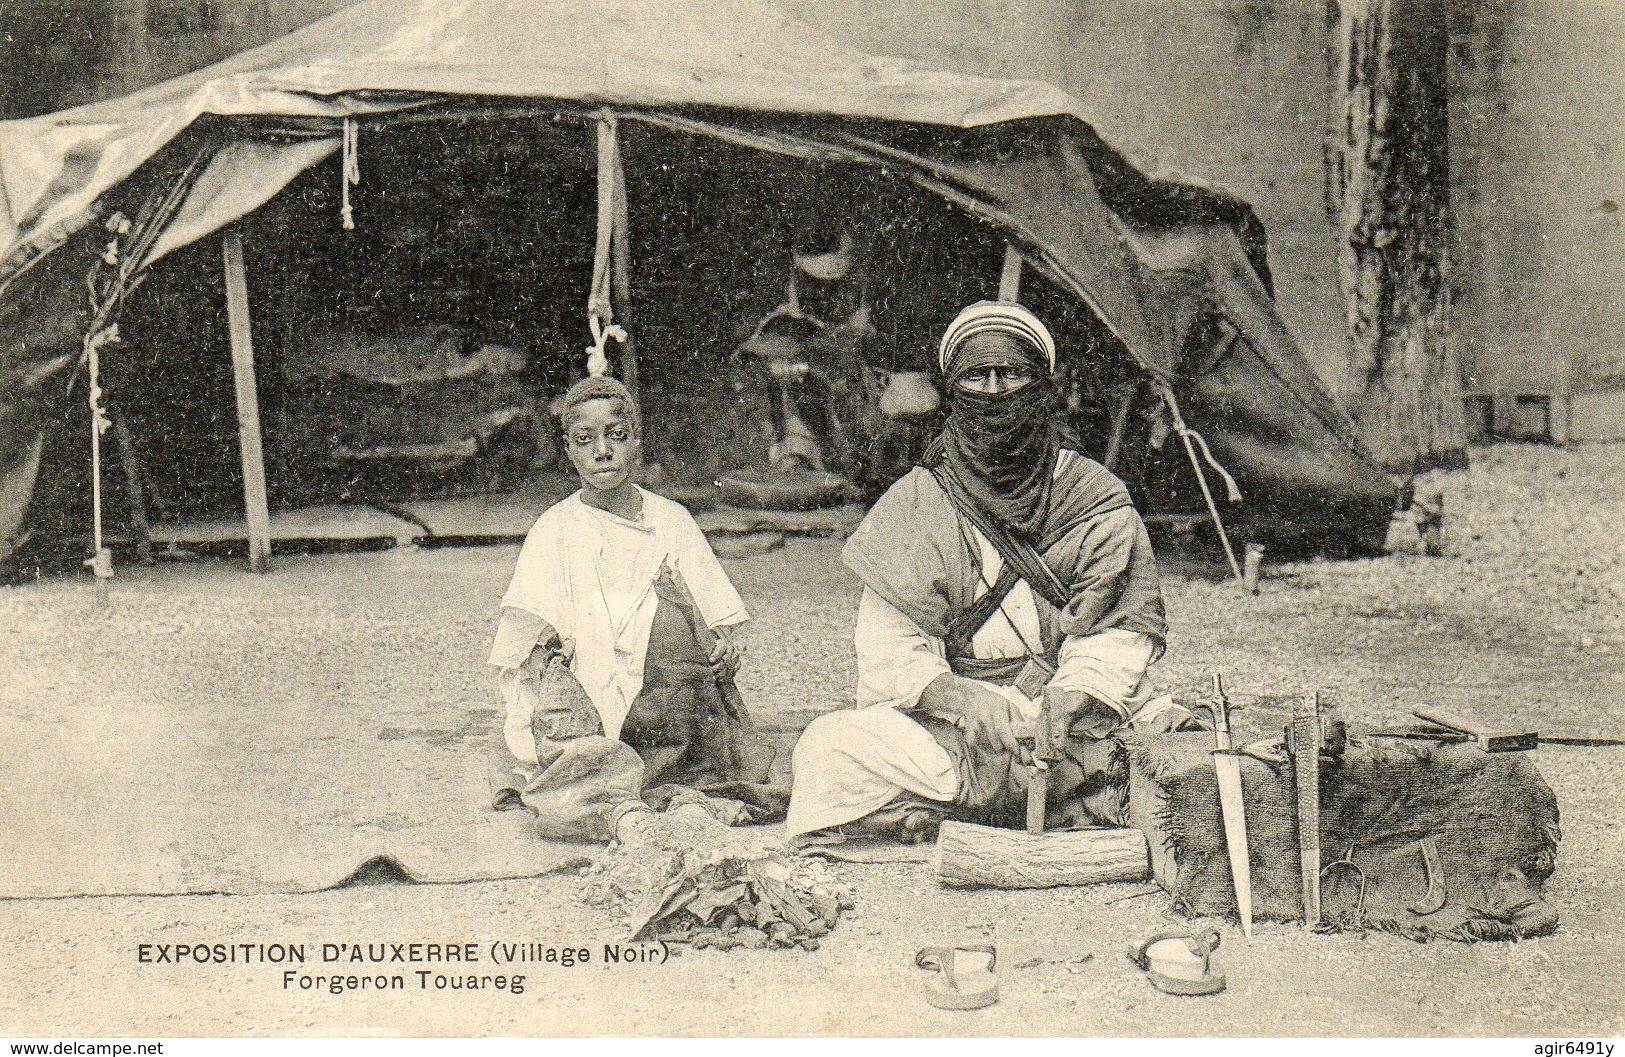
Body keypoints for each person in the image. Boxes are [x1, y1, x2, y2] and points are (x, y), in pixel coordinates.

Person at [786, 301, 1188, 842]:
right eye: (977, 376)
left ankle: (956, 814)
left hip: (1071, 715)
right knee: (828, 748)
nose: (995, 391)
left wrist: (1070, 698)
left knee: (1180, 744)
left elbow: (1117, 632)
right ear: (952, 391)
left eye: (1012, 374)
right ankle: (1060, 806)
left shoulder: (1093, 497)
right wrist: (964, 700)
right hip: (959, 726)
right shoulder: (916, 503)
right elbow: (890, 650)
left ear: (1042, 387)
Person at [488, 375, 783, 839]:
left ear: (637, 441)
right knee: (570, 746)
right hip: (587, 688)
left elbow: (713, 619)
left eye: (616, 436)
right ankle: (616, 786)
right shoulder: (554, 529)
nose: (602, 452)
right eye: (585, 440)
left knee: (669, 619)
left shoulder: (671, 519)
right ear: (568, 449)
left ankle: (666, 772)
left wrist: (722, 646)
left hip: (668, 697)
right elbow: (522, 646)